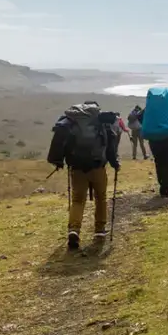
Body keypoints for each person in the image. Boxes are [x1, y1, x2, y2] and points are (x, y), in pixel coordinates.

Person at [46, 101, 121, 250]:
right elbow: (110, 145)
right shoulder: (101, 122)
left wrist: (59, 161)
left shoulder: (72, 121)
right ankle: (99, 230)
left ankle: (74, 229)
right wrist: (115, 163)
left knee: (78, 200)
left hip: (77, 167)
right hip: (97, 166)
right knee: (101, 198)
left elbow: (63, 143)